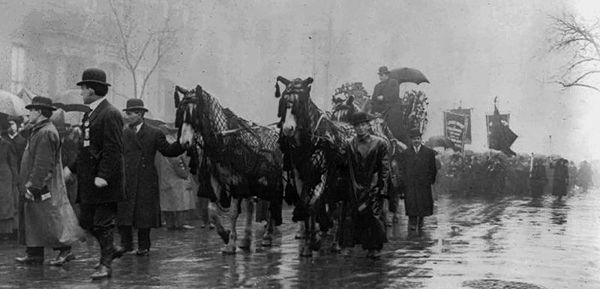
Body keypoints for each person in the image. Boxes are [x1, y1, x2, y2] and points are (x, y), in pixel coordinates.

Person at [64, 68, 125, 279]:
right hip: (90, 180)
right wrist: (71, 168)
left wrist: (104, 176)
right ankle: (111, 250)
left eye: (83, 88)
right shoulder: (90, 113)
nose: (81, 92)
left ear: (91, 89)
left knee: (102, 222)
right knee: (86, 222)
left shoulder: (111, 113)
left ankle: (105, 265)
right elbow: (86, 148)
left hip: (105, 181)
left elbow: (114, 149)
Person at [15, 96, 83, 265]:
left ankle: (65, 250)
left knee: (52, 218)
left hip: (43, 186)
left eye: (30, 110)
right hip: (38, 184)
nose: (29, 113)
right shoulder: (40, 129)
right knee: (36, 218)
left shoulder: (45, 132)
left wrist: (35, 185)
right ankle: (34, 253)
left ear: (38, 112)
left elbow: (43, 163)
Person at [117, 99, 185, 256]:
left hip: (145, 179)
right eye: (126, 113)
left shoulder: (154, 133)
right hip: (126, 179)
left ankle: (144, 246)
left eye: (130, 113)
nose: (127, 117)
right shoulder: (123, 133)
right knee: (125, 214)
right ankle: (126, 245)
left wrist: (182, 143)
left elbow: (168, 150)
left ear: (140, 114)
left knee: (143, 215)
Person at [339, 111, 389, 258]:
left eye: (363, 125)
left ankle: (374, 248)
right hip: (354, 185)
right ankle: (347, 246)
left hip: (372, 185)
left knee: (373, 216)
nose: (360, 128)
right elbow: (342, 164)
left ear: (368, 125)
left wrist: (383, 188)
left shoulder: (380, 143)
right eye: (357, 126)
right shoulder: (349, 144)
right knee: (350, 216)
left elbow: (385, 168)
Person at [155, 128, 196, 231]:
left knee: (166, 203)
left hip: (163, 177)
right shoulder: (171, 142)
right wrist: (185, 174)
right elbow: (177, 162)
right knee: (180, 202)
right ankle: (180, 224)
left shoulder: (158, 144)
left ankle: (170, 224)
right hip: (176, 179)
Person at [398, 128, 437, 231]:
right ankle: (412, 222)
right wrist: (403, 183)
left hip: (423, 183)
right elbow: (402, 169)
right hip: (410, 183)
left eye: (418, 138)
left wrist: (430, 181)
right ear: (411, 140)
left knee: (422, 203)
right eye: (414, 139)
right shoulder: (405, 153)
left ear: (421, 139)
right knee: (411, 202)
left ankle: (420, 221)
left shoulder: (429, 153)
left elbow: (433, 168)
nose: (416, 141)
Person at [0, 132, 18, 238]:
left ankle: (6, 231)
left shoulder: (6, 144)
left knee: (5, 203)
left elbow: (13, 163)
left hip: (4, 177)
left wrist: (15, 179)